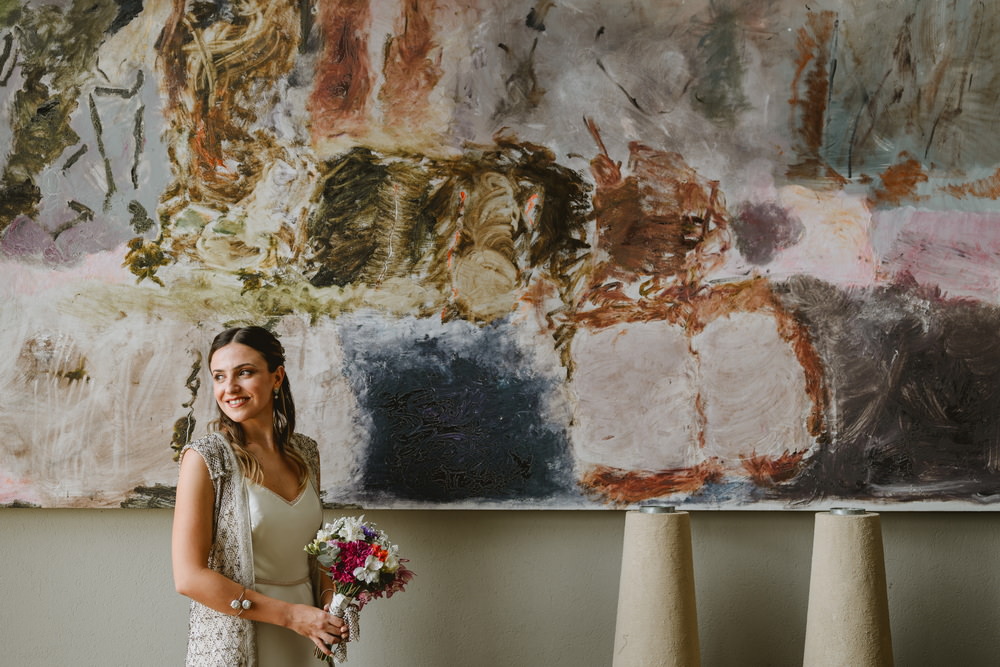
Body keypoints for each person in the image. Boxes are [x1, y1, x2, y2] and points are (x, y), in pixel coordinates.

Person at [172, 326, 348, 665]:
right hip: (243, 640)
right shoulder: (205, 458)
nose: (230, 388)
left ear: (277, 377)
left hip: (307, 641)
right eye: (219, 377)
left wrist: (332, 606)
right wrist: (291, 616)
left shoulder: (306, 453)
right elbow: (188, 577)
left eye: (245, 373)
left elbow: (318, 551)